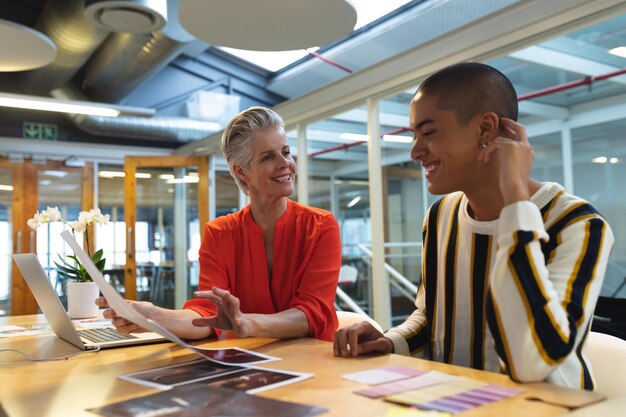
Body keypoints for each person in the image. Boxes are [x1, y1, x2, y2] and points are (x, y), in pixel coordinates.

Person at [333, 62, 614, 390]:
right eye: (414, 135)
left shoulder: (578, 224)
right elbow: (432, 317)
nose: (415, 151)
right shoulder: (440, 216)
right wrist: (390, 341)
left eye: (429, 132)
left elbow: (532, 361)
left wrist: (515, 202)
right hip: (453, 401)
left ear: (485, 129)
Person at [98, 106, 341, 341]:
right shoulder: (219, 233)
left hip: (312, 362)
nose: (284, 163)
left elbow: (312, 314)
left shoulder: (321, 226)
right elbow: (206, 315)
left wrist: (246, 323)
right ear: (242, 172)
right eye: (268, 156)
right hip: (250, 366)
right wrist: (153, 316)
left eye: (286, 152)